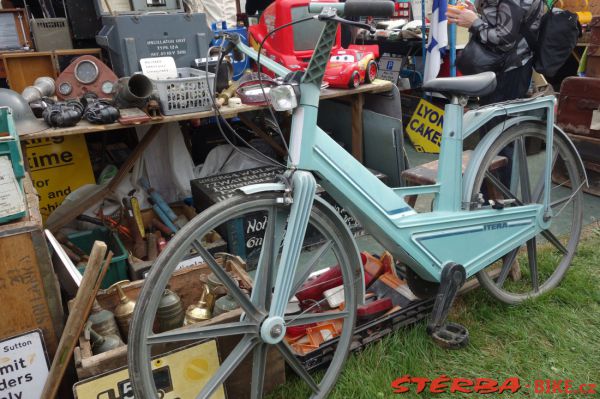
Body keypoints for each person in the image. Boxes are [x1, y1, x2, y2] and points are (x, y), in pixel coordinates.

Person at [446, 0, 544, 105]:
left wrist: (474, 22)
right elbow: (504, 24)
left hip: (509, 69)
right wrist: (475, 16)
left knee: (498, 117)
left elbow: (504, 38)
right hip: (503, 65)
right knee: (489, 113)